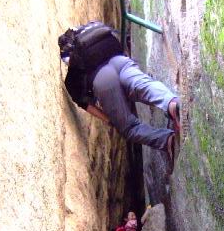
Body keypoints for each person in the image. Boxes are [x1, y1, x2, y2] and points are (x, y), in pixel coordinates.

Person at [58, 22, 180, 163]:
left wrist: (109, 120)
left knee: (129, 128)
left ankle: (168, 141)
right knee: (145, 87)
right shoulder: (94, 31)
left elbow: (86, 104)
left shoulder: (72, 77)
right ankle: (173, 104)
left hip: (103, 79)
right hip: (121, 62)